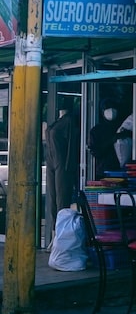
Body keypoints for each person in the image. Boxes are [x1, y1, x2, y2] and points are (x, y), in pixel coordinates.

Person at [45, 98, 80, 229]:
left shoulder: (69, 121)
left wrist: (69, 166)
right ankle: (55, 231)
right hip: (50, 161)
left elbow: (72, 143)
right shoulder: (57, 122)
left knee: (62, 198)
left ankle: (61, 230)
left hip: (62, 161)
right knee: (52, 198)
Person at [88, 99, 123, 179]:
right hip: (103, 172)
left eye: (112, 107)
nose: (110, 110)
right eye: (107, 108)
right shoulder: (96, 131)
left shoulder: (122, 127)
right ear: (102, 111)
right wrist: (111, 141)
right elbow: (95, 151)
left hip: (121, 171)